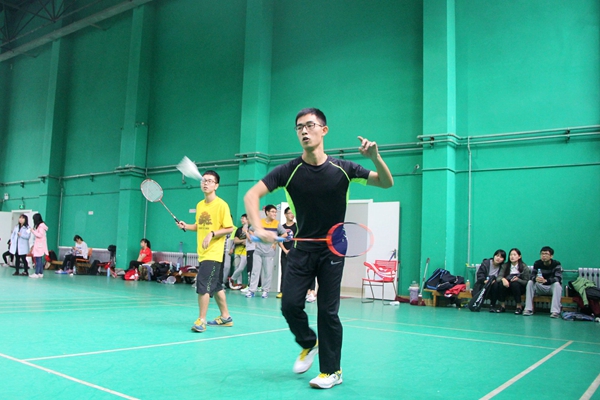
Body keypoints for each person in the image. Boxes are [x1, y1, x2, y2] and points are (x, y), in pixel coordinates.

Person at [244, 108, 393, 389]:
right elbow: (252, 195)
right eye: (299, 127)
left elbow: (386, 182)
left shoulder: (344, 169)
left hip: (333, 248)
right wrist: (258, 227)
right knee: (289, 304)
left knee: (327, 310)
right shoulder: (288, 171)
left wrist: (375, 158)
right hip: (302, 247)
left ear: (324, 130)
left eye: (310, 125)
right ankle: (308, 342)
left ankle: (332, 371)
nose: (304, 131)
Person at [176, 170, 234, 333]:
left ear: (216, 185)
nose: (205, 183)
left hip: (214, 253)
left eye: (210, 181)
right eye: (204, 180)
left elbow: (229, 228)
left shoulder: (221, 205)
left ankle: (201, 320)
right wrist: (186, 226)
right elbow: (199, 226)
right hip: (203, 252)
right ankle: (226, 317)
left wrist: (212, 234)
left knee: (203, 283)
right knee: (216, 286)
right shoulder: (200, 205)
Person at [246, 205, 287, 298]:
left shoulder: (277, 224)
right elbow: (250, 230)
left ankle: (265, 291)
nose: (274, 214)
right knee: (255, 271)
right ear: (267, 212)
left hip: (269, 252)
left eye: (275, 212)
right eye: (272, 211)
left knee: (268, 272)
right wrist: (255, 240)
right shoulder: (260, 222)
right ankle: (251, 290)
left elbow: (285, 234)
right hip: (258, 251)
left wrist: (275, 242)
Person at [523, 246, 563, 318]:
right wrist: (535, 279)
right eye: (542, 254)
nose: (544, 255)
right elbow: (531, 276)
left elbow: (558, 278)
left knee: (557, 284)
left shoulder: (556, 264)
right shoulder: (537, 263)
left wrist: (546, 281)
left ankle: (555, 312)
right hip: (540, 287)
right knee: (530, 283)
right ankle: (528, 309)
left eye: (546, 254)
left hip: (551, 287)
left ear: (551, 256)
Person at [495, 248, 530, 314]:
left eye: (514, 255)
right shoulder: (505, 266)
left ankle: (519, 307)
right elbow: (498, 277)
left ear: (519, 256)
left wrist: (518, 280)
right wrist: (503, 279)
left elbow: (526, 282)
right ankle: (502, 306)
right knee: (501, 284)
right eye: (511, 255)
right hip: (507, 287)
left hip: (519, 288)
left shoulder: (524, 267)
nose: (512, 256)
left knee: (515, 284)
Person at [277, 207, 297, 299]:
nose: (292, 215)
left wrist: (292, 250)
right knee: (284, 272)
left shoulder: (297, 227)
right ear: (285, 214)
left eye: (293, 213)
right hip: (284, 253)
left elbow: (297, 240)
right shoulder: (282, 227)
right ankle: (282, 291)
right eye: (289, 213)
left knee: (296, 273)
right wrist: (285, 250)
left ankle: (294, 292)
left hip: (295, 253)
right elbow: (279, 240)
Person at [229, 214, 248, 290]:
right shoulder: (238, 229)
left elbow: (249, 241)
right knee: (236, 267)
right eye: (241, 218)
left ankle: (232, 278)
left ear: (248, 220)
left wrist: (241, 241)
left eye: (243, 218)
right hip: (237, 251)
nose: (241, 220)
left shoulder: (250, 229)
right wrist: (243, 241)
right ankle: (239, 284)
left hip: (245, 252)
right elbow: (235, 241)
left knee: (241, 268)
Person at [30, 213, 49, 279]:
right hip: (39, 245)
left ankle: (36, 273)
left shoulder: (41, 226)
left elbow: (40, 235)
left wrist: (33, 231)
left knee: (38, 260)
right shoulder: (41, 226)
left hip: (39, 245)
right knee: (39, 260)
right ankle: (40, 273)